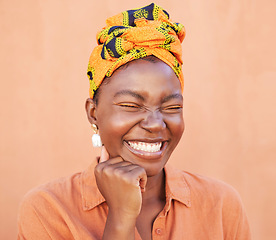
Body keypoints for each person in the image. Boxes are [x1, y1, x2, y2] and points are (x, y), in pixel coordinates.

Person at [17, 3, 251, 240]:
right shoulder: (49, 209)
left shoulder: (221, 205)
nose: (155, 124)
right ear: (93, 113)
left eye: (172, 107)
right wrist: (120, 217)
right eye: (131, 105)